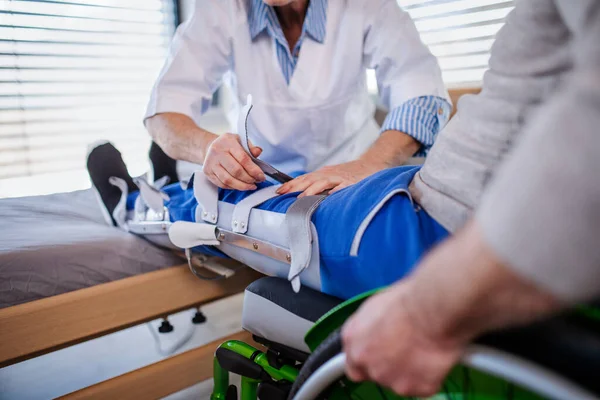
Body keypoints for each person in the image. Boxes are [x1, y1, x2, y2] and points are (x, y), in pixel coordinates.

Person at [341, 0, 600, 396]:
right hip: (420, 185)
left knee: (268, 209)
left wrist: (422, 316)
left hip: (426, 203)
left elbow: (423, 93)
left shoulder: (366, 9)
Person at [144, 0, 451, 195]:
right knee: (195, 196)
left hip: (355, 167)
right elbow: (164, 112)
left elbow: (423, 94)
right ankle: (151, 189)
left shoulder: (366, 6)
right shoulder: (220, 8)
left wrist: (368, 165)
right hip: (260, 178)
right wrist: (206, 147)